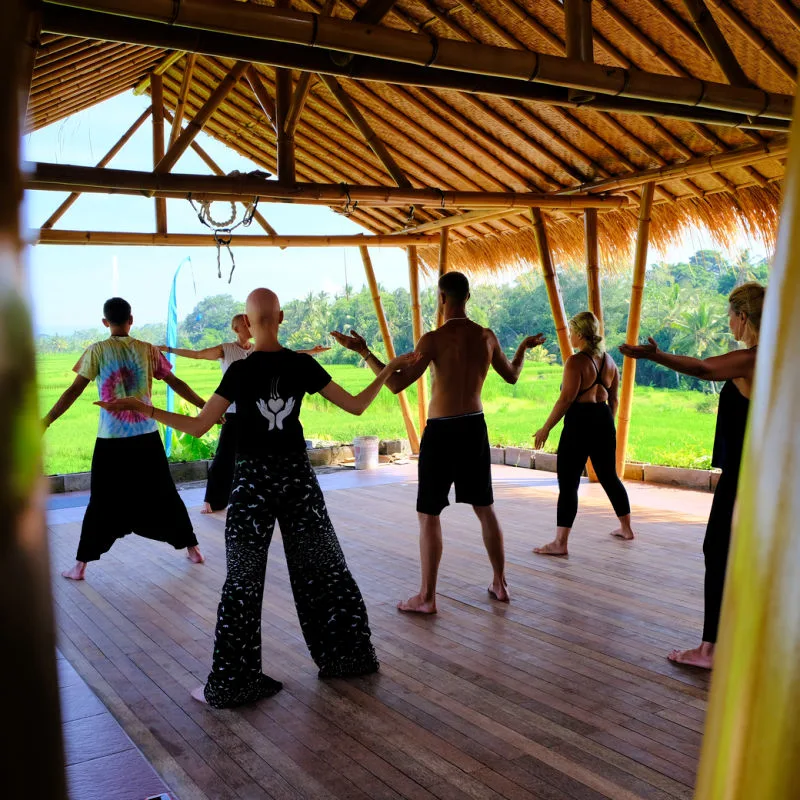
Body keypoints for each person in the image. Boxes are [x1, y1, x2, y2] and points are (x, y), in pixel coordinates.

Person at [98, 288, 418, 708]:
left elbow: (197, 427)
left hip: (253, 484)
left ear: (247, 324)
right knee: (325, 568)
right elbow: (357, 407)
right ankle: (348, 657)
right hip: (298, 481)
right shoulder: (302, 364)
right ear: (281, 316)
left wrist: (146, 409)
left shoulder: (240, 371)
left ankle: (235, 682)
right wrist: (386, 368)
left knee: (243, 582)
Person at [331, 271, 545, 614]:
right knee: (485, 508)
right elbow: (513, 375)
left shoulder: (432, 340)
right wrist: (522, 347)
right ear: (468, 296)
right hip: (474, 427)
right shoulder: (486, 337)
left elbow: (396, 384)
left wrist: (365, 352)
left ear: (441, 299)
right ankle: (500, 584)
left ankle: (428, 597)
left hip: (442, 431)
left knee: (429, 514)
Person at [620, 282, 764, 670]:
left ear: (743, 317)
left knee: (717, 551)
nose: (728, 322)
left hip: (744, 477)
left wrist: (657, 356)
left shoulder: (753, 358)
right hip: (761, 475)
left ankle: (711, 649)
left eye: (730, 315)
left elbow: (703, 369)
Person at [43, 297, 206, 581]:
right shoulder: (148, 350)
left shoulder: (96, 351)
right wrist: (206, 407)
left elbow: (72, 391)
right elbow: (176, 382)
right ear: (131, 320)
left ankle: (80, 567)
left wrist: (45, 421)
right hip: (147, 437)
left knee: (102, 501)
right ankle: (193, 550)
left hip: (111, 442)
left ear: (105, 322)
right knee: (164, 493)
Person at [161, 314, 328, 514]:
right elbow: (198, 354)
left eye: (249, 321)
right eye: (243, 323)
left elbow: (289, 354)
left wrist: (312, 352)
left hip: (257, 413)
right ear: (236, 328)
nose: (248, 325)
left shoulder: (261, 349)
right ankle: (213, 501)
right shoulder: (226, 349)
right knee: (224, 457)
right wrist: (168, 349)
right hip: (232, 412)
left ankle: (264, 498)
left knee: (258, 457)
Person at [532, 311, 635, 556]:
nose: (569, 336)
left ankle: (560, 543)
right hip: (603, 419)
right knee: (609, 476)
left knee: (568, 483)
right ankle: (626, 528)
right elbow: (614, 400)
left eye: (571, 331)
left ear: (579, 333)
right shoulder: (609, 361)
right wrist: (607, 422)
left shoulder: (576, 362)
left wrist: (545, 428)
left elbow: (566, 399)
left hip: (579, 421)